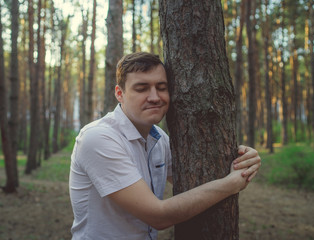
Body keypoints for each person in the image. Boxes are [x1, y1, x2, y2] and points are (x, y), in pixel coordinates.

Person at [69, 52, 261, 240]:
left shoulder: (159, 138)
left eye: (161, 87)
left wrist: (242, 159)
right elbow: (158, 216)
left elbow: (197, 179)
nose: (154, 97)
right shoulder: (98, 138)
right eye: (141, 88)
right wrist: (231, 184)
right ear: (120, 94)